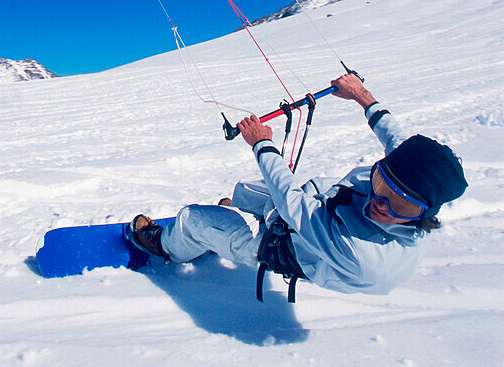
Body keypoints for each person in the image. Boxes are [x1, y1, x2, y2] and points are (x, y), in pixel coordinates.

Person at [128, 74, 468, 297]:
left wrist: (262, 143)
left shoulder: (362, 255)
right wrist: (361, 95)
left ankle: (168, 246)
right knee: (246, 188)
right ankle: (230, 221)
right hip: (315, 206)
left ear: (426, 213)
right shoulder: (410, 175)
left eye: (402, 205)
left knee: (194, 219)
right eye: (381, 182)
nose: (381, 202)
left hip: (286, 246)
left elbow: (293, 205)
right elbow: (395, 136)